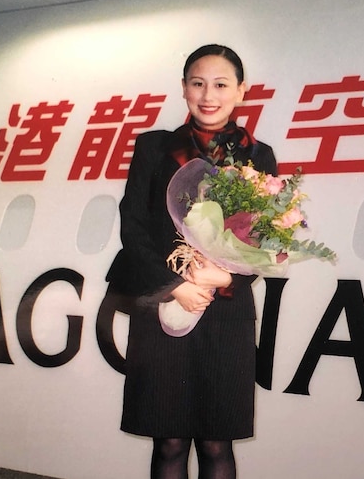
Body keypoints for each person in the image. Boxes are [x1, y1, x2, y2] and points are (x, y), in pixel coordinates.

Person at [105, 44, 277, 479]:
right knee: (170, 441)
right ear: (183, 88)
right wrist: (175, 285)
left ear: (241, 90)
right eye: (198, 84)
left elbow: (264, 238)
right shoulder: (153, 147)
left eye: (220, 84)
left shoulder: (259, 157)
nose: (208, 95)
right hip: (167, 303)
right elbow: (133, 229)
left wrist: (227, 279)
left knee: (217, 443)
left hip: (224, 311)